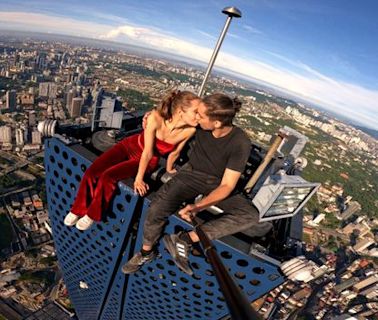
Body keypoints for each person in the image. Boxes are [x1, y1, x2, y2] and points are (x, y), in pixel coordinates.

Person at [122, 93, 272, 275]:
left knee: (250, 216)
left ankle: (185, 239)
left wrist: (198, 206)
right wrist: (149, 116)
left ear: (216, 123)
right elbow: (172, 110)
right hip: (191, 174)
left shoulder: (240, 142)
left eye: (201, 115)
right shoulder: (199, 125)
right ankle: (146, 252)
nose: (196, 117)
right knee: (157, 207)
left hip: (217, 183)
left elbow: (227, 185)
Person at [63, 90, 200, 230]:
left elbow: (175, 152)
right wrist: (139, 179)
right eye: (196, 112)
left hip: (148, 161)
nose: (199, 116)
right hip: (129, 146)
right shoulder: (156, 117)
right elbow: (147, 150)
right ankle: (77, 209)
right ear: (180, 111)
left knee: (108, 177)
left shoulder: (190, 130)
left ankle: (92, 214)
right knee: (93, 172)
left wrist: (170, 168)